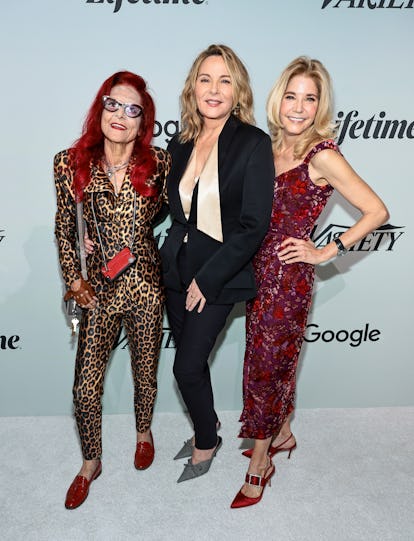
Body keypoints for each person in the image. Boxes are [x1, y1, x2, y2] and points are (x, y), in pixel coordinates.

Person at [231, 57, 389, 508]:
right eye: (291, 95)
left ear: (320, 106)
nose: (298, 107)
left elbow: (377, 211)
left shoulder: (322, 154)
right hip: (256, 273)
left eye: (310, 98)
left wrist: (324, 251)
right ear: (278, 98)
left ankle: (260, 463)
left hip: (288, 280)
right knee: (270, 361)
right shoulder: (269, 147)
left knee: (264, 368)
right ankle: (281, 431)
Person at [54, 71, 170, 509]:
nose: (121, 115)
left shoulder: (159, 164)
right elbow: (65, 228)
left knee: (146, 369)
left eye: (133, 109)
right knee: (85, 388)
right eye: (113, 104)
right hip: (96, 291)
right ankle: (90, 463)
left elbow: (161, 213)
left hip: (144, 286)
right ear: (100, 108)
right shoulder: (69, 162)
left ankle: (143, 432)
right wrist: (74, 277)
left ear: (144, 123)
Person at [160, 44, 275, 482]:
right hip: (175, 266)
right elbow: (171, 207)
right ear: (193, 87)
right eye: (205, 79)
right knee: (194, 365)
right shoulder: (181, 140)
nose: (214, 89)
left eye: (224, 80)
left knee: (185, 366)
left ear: (237, 89)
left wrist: (207, 280)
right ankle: (209, 425)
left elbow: (252, 225)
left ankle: (206, 440)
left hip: (220, 274)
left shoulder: (253, 143)